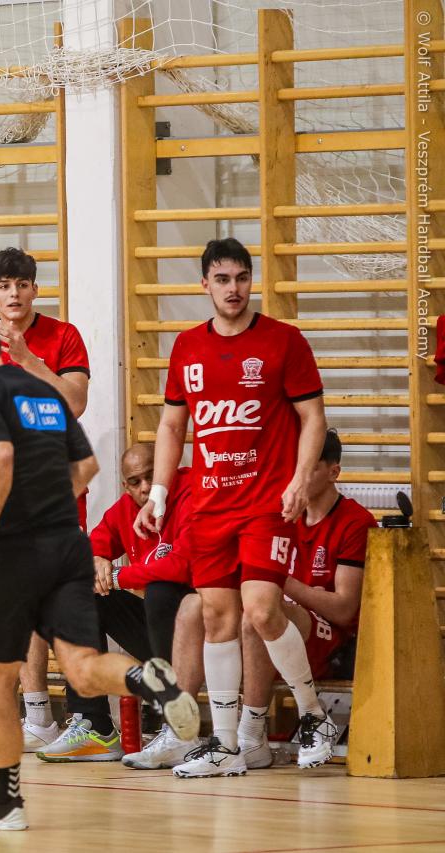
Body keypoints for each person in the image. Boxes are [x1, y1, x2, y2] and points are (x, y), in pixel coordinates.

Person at [0, 310, 197, 831]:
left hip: (11, 553)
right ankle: (145, 678)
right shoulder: (43, 393)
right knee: (81, 666)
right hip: (66, 545)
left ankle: (7, 800)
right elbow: (86, 468)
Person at [136, 237, 335, 778]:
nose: (234, 288)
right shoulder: (186, 347)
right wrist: (159, 493)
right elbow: (172, 425)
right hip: (210, 505)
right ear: (205, 284)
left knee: (262, 611)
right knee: (217, 618)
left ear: (252, 281)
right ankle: (225, 744)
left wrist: (300, 479)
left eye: (242, 278)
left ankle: (314, 714)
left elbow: (313, 418)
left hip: (266, 502)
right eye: (222, 279)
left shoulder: (283, 341)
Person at [0, 247, 91, 753]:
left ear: (35, 289)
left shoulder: (63, 336)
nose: (14, 293)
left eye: (22, 284)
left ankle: (88, 719)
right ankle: (38, 717)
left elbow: (74, 402)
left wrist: (26, 359)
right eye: (4, 286)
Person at [237, 430, 376, 768]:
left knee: (261, 614)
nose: (296, 476)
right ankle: (188, 730)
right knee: (210, 611)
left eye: (307, 467)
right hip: (280, 627)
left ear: (333, 472)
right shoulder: (277, 515)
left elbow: (343, 609)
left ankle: (251, 733)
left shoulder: (356, 522)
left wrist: (276, 578)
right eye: (293, 466)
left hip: (334, 640)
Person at [89, 444, 205, 768]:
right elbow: (97, 538)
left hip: (204, 632)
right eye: (135, 481)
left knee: (161, 591)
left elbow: (180, 567)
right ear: (125, 486)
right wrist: (97, 559)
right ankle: (94, 725)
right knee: (88, 594)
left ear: (168, 468)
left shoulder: (192, 493)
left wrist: (117, 575)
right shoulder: (126, 508)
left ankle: (176, 726)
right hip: (160, 631)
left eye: (151, 476)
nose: (144, 487)